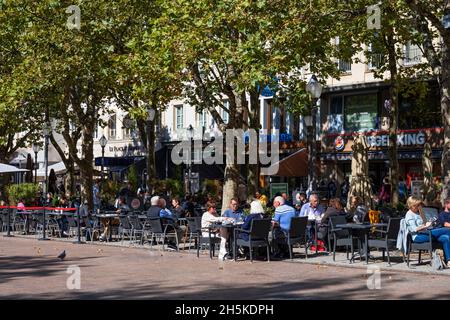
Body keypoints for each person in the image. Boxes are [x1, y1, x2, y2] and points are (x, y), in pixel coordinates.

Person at [405, 196, 450, 266]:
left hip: (426, 233)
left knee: (445, 238)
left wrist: (428, 222)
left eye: (419, 205)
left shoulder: (418, 213)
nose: (419, 207)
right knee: (446, 230)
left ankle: (448, 261)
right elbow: (414, 229)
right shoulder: (409, 214)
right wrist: (425, 226)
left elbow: (424, 224)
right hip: (417, 237)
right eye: (417, 205)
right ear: (412, 205)